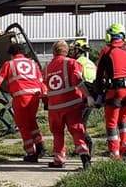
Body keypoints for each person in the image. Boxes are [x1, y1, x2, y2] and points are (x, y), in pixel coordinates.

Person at [0, 43, 47, 162]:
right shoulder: (33, 63)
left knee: (23, 125)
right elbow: (41, 80)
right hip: (35, 96)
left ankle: (31, 153)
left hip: (21, 97)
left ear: (11, 54)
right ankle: (40, 146)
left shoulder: (9, 64)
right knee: (31, 122)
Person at [43, 40, 94, 169]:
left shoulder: (47, 67)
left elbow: (44, 87)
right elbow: (78, 81)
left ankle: (58, 160)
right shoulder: (72, 63)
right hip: (72, 105)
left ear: (54, 52)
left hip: (54, 108)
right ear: (67, 51)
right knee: (77, 132)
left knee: (57, 134)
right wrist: (88, 96)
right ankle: (85, 160)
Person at [94, 23, 126, 162]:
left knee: (111, 123)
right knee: (124, 121)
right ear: (124, 36)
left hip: (114, 91)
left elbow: (99, 76)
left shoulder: (106, 51)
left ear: (108, 36)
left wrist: (99, 93)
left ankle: (114, 154)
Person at [68, 39, 97, 153]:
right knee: (81, 123)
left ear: (78, 50)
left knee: (78, 125)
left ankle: (86, 145)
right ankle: (81, 147)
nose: (71, 52)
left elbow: (77, 80)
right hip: (90, 97)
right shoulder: (90, 63)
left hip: (82, 98)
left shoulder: (78, 63)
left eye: (73, 49)